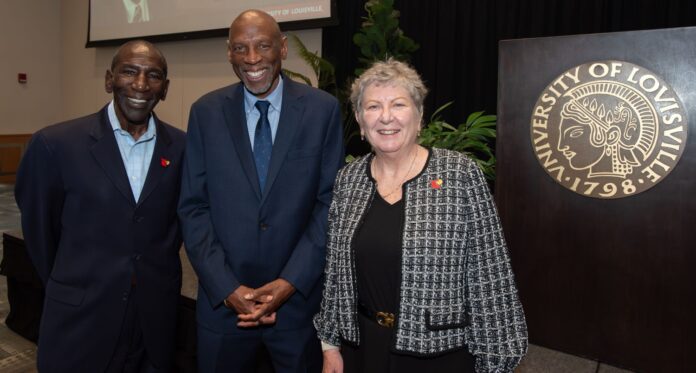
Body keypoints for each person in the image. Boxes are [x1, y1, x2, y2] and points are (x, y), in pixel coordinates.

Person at [313, 59, 528, 373]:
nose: (386, 117)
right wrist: (330, 344)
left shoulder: (459, 174)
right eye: (373, 107)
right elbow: (335, 272)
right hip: (362, 348)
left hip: (439, 355)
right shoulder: (349, 180)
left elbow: (490, 276)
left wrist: (496, 362)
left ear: (419, 115)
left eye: (398, 104)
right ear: (360, 120)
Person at [177, 9, 344, 373]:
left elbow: (329, 203)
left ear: (283, 48)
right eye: (241, 48)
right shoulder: (205, 113)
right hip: (224, 310)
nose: (252, 59)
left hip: (296, 309)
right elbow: (193, 207)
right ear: (229, 53)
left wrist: (289, 282)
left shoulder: (322, 111)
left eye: (263, 46)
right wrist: (227, 287)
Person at [14, 40, 185, 372]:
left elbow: (175, 228)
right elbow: (39, 232)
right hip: (79, 319)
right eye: (129, 72)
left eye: (153, 76)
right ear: (109, 80)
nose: (140, 84)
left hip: (153, 322)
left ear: (164, 89)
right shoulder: (55, 144)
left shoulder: (183, 148)